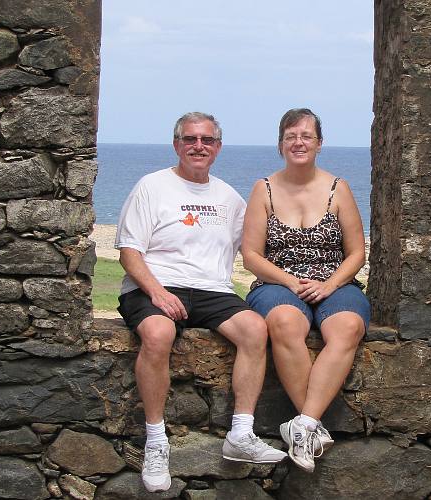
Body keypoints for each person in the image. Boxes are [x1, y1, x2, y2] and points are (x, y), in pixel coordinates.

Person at [115, 112, 286, 493]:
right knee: (158, 333)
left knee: (256, 329)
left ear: (218, 147)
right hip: (156, 284)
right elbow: (129, 252)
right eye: (190, 139)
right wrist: (158, 292)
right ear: (176, 144)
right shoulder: (152, 186)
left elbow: (256, 249)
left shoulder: (229, 197)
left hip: (212, 289)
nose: (198, 146)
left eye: (207, 140)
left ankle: (241, 434)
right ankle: (156, 442)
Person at [241, 108, 370, 472]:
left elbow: (357, 251)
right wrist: (288, 281)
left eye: (306, 136)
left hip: (335, 282)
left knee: (347, 328)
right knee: (283, 323)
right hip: (276, 284)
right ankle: (311, 427)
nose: (298, 142)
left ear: (319, 143)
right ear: (281, 143)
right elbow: (250, 254)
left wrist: (329, 284)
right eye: (290, 136)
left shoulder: (338, 188)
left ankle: (303, 424)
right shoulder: (263, 188)